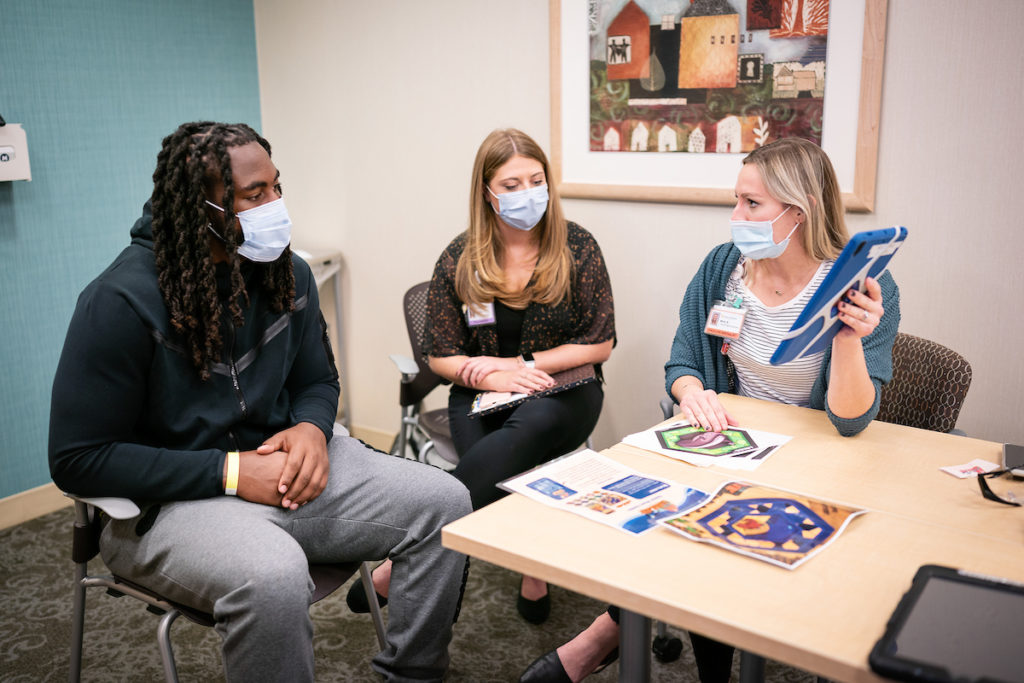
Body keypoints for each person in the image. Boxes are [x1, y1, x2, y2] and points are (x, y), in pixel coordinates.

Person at [48, 121, 472, 683]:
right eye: (255, 194)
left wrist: (312, 430)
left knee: (445, 500)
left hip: (287, 474)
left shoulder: (286, 274)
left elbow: (318, 381)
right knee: (272, 576)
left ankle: (412, 674)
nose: (276, 204)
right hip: (169, 507)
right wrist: (229, 472)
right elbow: (77, 458)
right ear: (201, 208)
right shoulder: (119, 302)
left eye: (277, 187)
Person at [520, 137, 900, 683]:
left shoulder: (863, 286)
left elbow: (850, 419)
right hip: (738, 443)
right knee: (675, 518)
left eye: (752, 204)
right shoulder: (726, 267)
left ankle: (605, 635)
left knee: (703, 533)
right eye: (736, 200)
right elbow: (682, 363)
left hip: (820, 460)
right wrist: (692, 392)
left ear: (801, 210)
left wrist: (846, 338)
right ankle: (694, 664)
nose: (735, 216)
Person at [347, 128, 615, 627]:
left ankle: (410, 556)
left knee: (525, 434)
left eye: (536, 180)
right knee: (492, 462)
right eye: (511, 185)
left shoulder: (577, 246)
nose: (527, 193)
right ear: (487, 193)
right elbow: (440, 355)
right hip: (480, 393)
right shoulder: (461, 256)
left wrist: (527, 368)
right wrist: (492, 378)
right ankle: (503, 579)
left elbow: (600, 341)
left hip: (562, 389)